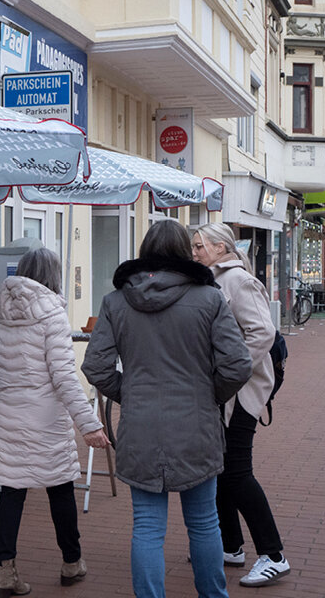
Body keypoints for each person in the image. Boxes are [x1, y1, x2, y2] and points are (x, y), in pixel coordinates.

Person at [83, 220, 250, 598]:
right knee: (204, 523)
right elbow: (238, 365)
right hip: (196, 426)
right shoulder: (209, 298)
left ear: (144, 251)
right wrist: (210, 395)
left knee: (147, 527)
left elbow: (96, 367)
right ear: (184, 252)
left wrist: (130, 394)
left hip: (140, 426)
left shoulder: (115, 301)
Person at [0, 248, 109, 597]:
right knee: (60, 488)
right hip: (44, 418)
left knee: (11, 490)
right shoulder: (52, 313)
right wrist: (89, 424)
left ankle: (5, 571)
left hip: (7, 413)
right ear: (53, 276)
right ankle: (71, 562)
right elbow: (64, 377)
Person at [191, 222, 291, 587]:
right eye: (193, 246)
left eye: (200, 246)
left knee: (236, 472)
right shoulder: (214, 279)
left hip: (242, 394)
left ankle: (274, 555)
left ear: (221, 247)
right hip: (225, 393)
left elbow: (262, 332)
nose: (194, 252)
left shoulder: (238, 281)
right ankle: (230, 545)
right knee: (220, 470)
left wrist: (230, 372)